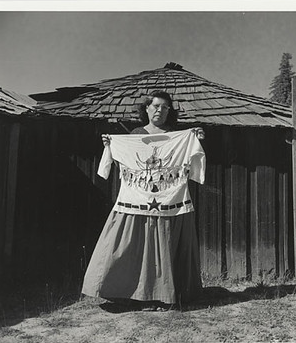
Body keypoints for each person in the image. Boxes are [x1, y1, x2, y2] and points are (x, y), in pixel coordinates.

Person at [81, 90, 205, 311]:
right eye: (156, 106)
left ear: (170, 111)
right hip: (138, 202)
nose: (160, 110)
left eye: (165, 107)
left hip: (168, 203)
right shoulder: (135, 135)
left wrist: (195, 139)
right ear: (147, 108)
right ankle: (133, 294)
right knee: (133, 247)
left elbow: (191, 161)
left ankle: (164, 295)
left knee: (164, 247)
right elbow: (125, 166)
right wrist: (111, 146)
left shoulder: (178, 136)